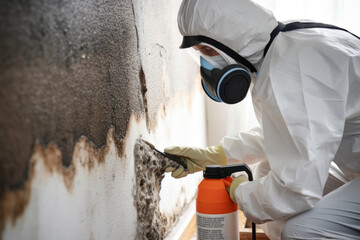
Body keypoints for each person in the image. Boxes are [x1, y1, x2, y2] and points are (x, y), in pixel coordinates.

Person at [164, 0, 360, 239]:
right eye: (200, 54)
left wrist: (241, 193)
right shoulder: (283, 44)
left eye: (207, 51)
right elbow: (290, 133)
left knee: (302, 231)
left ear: (233, 38)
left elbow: (298, 189)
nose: (207, 65)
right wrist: (218, 154)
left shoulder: (295, 68)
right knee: (266, 169)